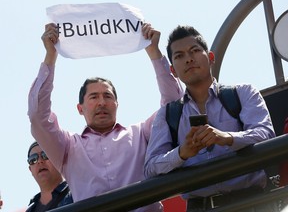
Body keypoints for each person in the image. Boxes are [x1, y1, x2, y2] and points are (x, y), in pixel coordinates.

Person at [27, 22, 182, 211]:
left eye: (108, 96)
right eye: (93, 97)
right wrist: (50, 55)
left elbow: (174, 106)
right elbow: (37, 116)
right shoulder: (67, 147)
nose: (101, 102)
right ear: (80, 108)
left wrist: (153, 51)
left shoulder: (142, 133)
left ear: (117, 104)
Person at [144, 25, 277, 212]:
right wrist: (182, 153)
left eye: (195, 50)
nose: (189, 59)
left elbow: (266, 135)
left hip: (253, 203)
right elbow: (150, 168)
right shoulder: (167, 115)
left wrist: (226, 137)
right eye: (179, 55)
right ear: (173, 70)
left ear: (211, 57)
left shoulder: (243, 92)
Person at [26, 141, 73, 211]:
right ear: (30, 170)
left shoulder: (77, 193)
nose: (39, 161)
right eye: (33, 159)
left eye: (45, 155)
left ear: (59, 160)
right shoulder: (31, 209)